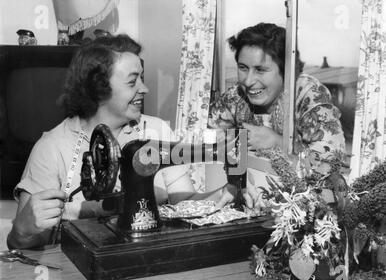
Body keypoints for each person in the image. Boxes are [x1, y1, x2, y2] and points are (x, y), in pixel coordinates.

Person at [7, 34, 199, 249]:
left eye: (142, 79)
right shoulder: (51, 148)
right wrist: (22, 230)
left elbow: (187, 203)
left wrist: (225, 194)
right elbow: (22, 244)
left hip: (153, 259)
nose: (144, 89)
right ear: (98, 88)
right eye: (132, 81)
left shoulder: (156, 130)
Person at [209, 22, 346, 207]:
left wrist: (278, 142)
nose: (248, 81)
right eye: (243, 68)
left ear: (286, 71)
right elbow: (210, 143)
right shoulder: (235, 97)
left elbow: (332, 165)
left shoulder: (309, 94)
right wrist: (235, 182)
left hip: (309, 208)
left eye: (260, 70)